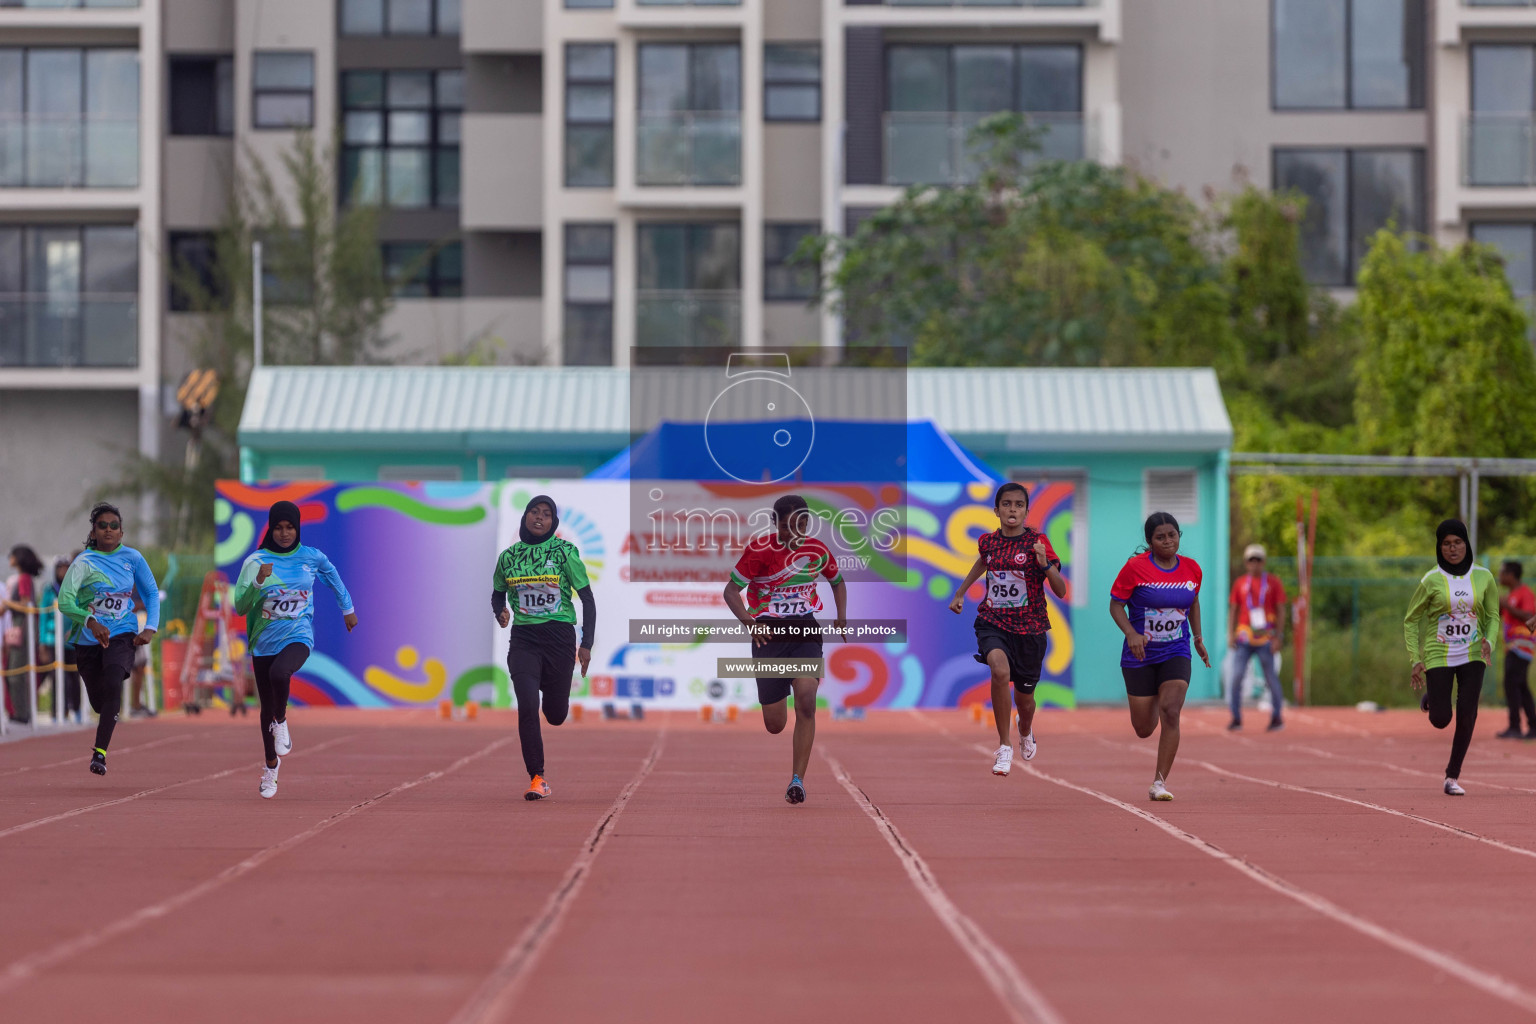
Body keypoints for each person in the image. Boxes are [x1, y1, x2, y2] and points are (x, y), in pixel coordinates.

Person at [723, 494, 848, 805]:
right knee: (775, 724)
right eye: (788, 524)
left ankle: (797, 780)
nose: (796, 530)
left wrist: (841, 617)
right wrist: (750, 623)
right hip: (769, 637)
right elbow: (730, 591)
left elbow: (838, 582)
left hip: (805, 631)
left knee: (807, 701)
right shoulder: (759, 550)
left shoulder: (816, 549)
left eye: (802, 524)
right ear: (775, 523)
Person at [232, 501, 357, 799]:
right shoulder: (256, 561)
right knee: (265, 710)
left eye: (290, 527)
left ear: (297, 528)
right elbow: (240, 606)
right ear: (270, 529)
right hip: (263, 642)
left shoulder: (311, 557)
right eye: (279, 527)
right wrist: (259, 581)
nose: (285, 533)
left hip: (298, 634)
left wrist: (347, 608)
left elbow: (333, 578)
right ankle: (271, 769)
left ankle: (283, 720)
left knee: (281, 672)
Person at [949, 482, 1066, 776]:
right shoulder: (988, 542)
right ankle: (1004, 746)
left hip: (1030, 629)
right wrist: (961, 592)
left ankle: (1024, 729)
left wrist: (1044, 564)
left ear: (1026, 511)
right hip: (994, 622)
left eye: (1018, 505)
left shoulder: (1038, 542)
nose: (1012, 509)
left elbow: (1061, 591)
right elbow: (983, 562)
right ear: (996, 510)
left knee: (1025, 701)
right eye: (1007, 504)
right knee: (999, 671)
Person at [491, 495, 595, 802]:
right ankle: (537, 778)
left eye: (546, 514)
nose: (539, 517)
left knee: (555, 714)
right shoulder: (508, 557)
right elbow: (497, 594)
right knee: (526, 705)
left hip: (560, 638)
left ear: (554, 522)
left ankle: (555, 701)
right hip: (524, 639)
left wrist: (586, 643)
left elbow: (587, 598)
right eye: (534, 512)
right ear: (525, 516)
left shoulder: (564, 553)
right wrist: (500, 612)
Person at [1109, 512, 1210, 802]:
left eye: (1172, 535)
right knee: (1143, 729)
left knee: (1172, 710)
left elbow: (1193, 602)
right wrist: (1131, 633)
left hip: (1176, 649)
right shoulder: (1135, 568)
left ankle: (1159, 783)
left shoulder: (1192, 569)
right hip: (1139, 653)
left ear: (1180, 536)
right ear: (1150, 541)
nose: (1168, 541)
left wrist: (1198, 638)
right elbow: (1116, 606)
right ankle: (1151, 696)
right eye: (1160, 537)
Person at [57, 504, 160, 775]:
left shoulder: (133, 558)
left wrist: (150, 627)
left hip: (122, 633)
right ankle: (108, 709)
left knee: (114, 681)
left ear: (122, 531)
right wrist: (90, 621)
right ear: (94, 531)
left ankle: (99, 754)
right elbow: (64, 602)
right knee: (100, 703)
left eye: (114, 525)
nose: (109, 530)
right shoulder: (83, 562)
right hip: (87, 639)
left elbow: (150, 592)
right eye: (102, 525)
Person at [1405, 520, 1499, 796]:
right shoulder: (1431, 579)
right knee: (1441, 719)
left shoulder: (1484, 577)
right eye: (1446, 543)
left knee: (1468, 713)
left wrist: (1489, 641)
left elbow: (1493, 616)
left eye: (1457, 542)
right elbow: (1411, 621)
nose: (1452, 548)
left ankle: (1452, 776)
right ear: (1439, 547)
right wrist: (1415, 658)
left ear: (1466, 543)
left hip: (1473, 652)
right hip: (1439, 653)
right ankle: (1433, 698)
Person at [1226, 543, 1287, 732]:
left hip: (1266, 637)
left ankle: (1277, 716)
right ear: (1246, 562)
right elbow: (1234, 610)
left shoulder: (1273, 582)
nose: (1255, 564)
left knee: (1271, 678)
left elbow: (1281, 609)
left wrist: (1279, 636)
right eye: (1251, 560)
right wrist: (1230, 634)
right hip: (1244, 637)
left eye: (1258, 560)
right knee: (1236, 677)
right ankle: (1236, 717)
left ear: (1264, 562)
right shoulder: (1240, 583)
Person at [39, 556, 82, 723]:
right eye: (60, 568)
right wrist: (42, 641)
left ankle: (77, 710)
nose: (63, 572)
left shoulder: (76, 589)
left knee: (74, 675)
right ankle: (58, 711)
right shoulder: (49, 590)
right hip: (52, 640)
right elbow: (43, 616)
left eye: (66, 568)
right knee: (57, 677)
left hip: (71, 641)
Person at [1496, 561, 1536, 739]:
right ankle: (1530, 726)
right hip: (1512, 646)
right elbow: (1500, 614)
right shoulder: (1510, 595)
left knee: (1513, 684)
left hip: (1523, 644)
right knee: (1518, 685)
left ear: (1511, 575)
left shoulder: (1525, 593)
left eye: (1502, 573)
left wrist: (1507, 606)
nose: (1500, 576)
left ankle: (1516, 726)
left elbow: (1530, 616)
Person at [4, 545, 43, 724]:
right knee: (14, 672)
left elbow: (27, 605)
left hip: (24, 628)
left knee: (16, 673)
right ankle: (20, 710)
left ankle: (21, 712)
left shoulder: (24, 579)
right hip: (20, 626)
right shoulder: (21, 578)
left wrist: (8, 603)